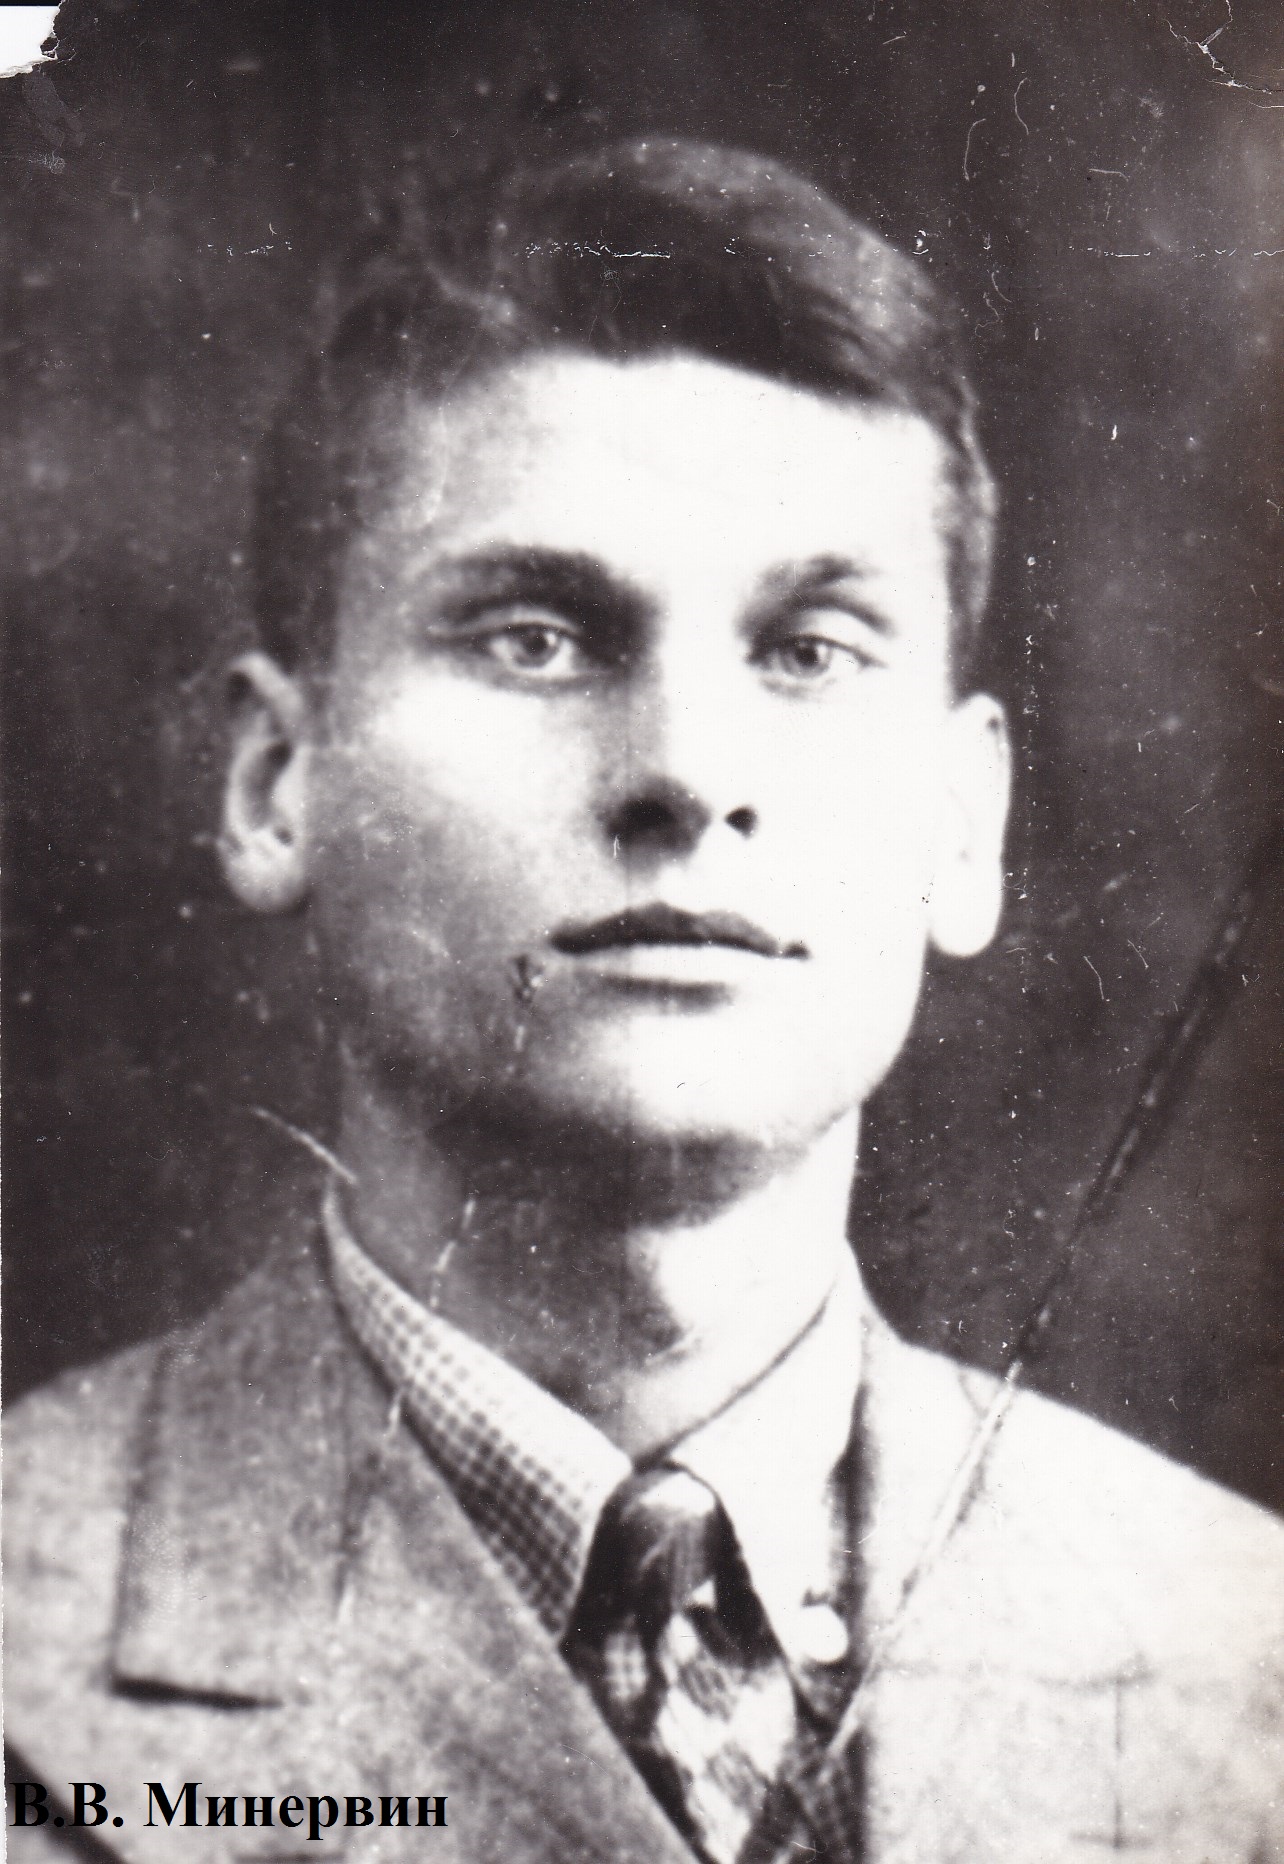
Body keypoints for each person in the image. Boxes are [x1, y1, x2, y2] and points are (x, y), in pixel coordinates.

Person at [6, 138, 1284, 1864]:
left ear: (963, 822)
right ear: (275, 785)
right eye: (536, 637)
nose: (687, 772)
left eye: (810, 650)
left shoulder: (1245, 1665)